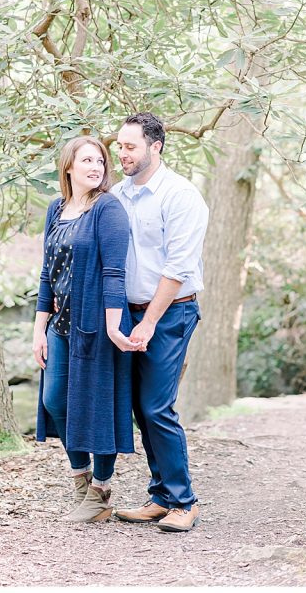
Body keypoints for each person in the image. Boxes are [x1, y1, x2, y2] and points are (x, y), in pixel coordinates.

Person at [33, 135, 140, 523]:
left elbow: (114, 271)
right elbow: (47, 273)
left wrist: (114, 325)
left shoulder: (108, 209)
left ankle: (101, 491)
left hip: (98, 324)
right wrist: (38, 327)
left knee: (99, 407)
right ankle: (81, 480)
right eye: (87, 161)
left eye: (100, 160)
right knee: (55, 402)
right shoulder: (56, 210)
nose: (96, 167)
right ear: (68, 167)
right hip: (60, 326)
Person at [110, 112, 209, 532]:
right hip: (128, 313)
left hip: (170, 313)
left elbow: (177, 268)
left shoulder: (181, 196)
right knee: (137, 407)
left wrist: (148, 322)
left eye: (130, 147)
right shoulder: (116, 194)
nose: (121, 154)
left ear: (156, 147)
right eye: (119, 146)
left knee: (156, 406)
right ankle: (160, 496)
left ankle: (184, 502)